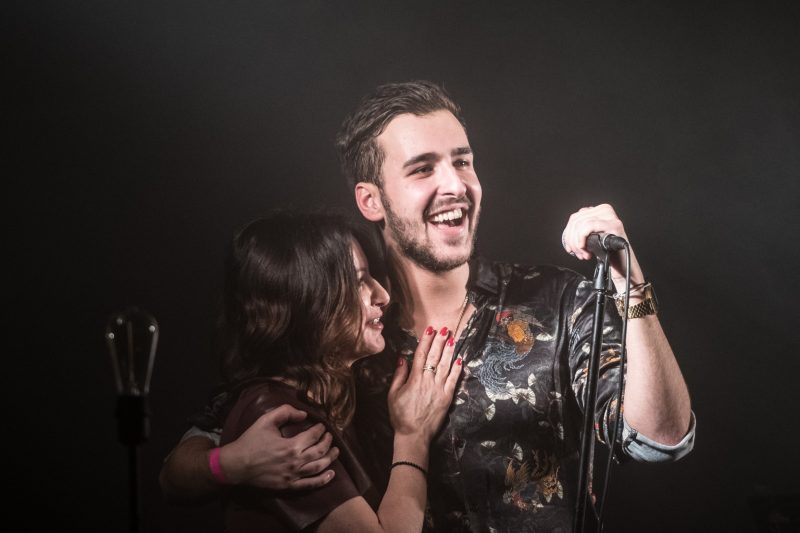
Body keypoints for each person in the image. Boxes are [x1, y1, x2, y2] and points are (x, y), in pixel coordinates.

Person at [161, 82, 695, 531]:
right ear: (371, 200)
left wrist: (630, 284)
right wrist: (227, 466)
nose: (454, 184)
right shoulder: (345, 325)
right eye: (422, 169)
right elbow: (180, 468)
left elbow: (661, 439)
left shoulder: (557, 300)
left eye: (462, 161)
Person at [164, 210, 463, 532]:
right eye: (358, 281)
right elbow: (174, 473)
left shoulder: (344, 388)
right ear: (306, 297)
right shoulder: (279, 418)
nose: (383, 296)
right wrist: (413, 435)